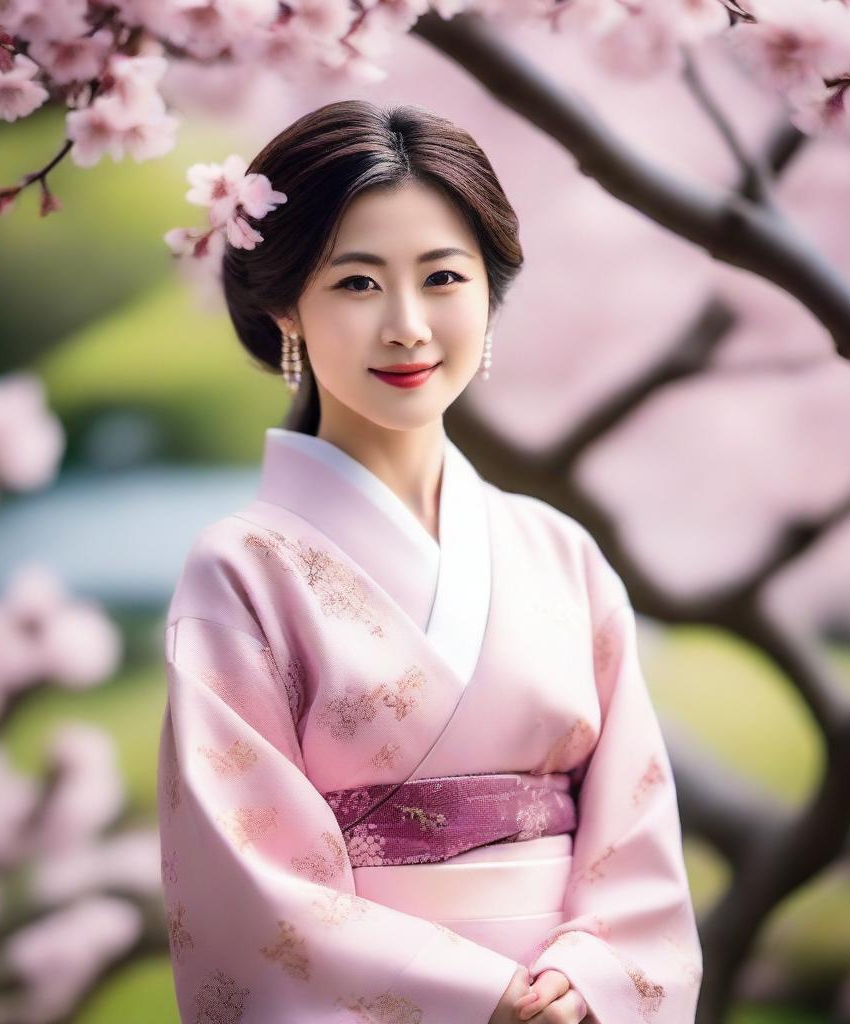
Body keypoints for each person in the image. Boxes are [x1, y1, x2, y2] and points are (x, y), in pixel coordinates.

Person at [157, 99, 703, 1024]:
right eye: (358, 284)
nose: (408, 326)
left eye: (443, 277)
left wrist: (591, 979)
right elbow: (250, 884)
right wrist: (480, 998)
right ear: (286, 300)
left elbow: (637, 832)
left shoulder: (557, 552)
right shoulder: (241, 572)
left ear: (489, 294)